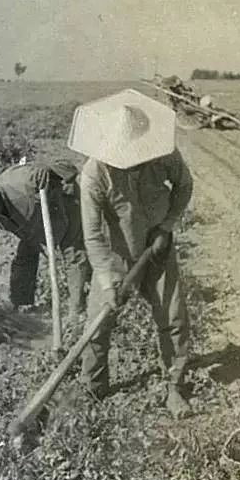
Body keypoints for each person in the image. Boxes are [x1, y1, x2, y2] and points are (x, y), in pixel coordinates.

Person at [68, 88, 194, 418]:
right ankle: (94, 387)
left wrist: (166, 226)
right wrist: (108, 281)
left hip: (157, 247)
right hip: (114, 255)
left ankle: (175, 386)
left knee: (173, 318)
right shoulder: (94, 174)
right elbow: (92, 235)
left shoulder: (164, 154)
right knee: (97, 325)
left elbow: (185, 186)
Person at [0, 161, 91, 319]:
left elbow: (70, 169)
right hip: (32, 225)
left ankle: (76, 311)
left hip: (64, 206)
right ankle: (22, 305)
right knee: (25, 257)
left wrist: (48, 171)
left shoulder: (25, 181)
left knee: (73, 255)